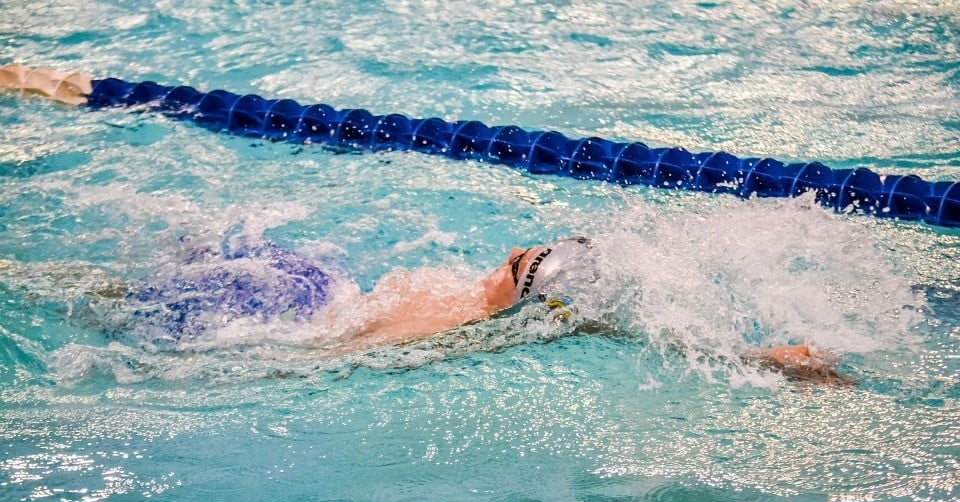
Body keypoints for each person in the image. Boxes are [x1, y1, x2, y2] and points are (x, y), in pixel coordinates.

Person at [0, 64, 842, 382]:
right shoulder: (499, 319)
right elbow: (623, 326)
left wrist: (763, 359)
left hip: (277, 308)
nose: (518, 245)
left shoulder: (458, 325)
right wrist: (763, 359)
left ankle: (52, 96)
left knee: (104, 292)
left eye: (533, 255)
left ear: (523, 278)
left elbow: (619, 322)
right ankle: (55, 96)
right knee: (133, 277)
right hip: (304, 293)